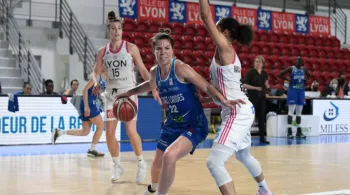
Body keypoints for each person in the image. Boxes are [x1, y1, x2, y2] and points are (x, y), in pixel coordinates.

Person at [116, 28, 243, 195]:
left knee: (169, 157)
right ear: (154, 51)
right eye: (159, 48)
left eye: (167, 48)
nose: (163, 52)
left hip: (193, 124)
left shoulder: (181, 68)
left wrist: (223, 100)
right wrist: (130, 92)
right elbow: (150, 84)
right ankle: (153, 189)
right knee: (157, 161)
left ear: (172, 50)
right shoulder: (155, 72)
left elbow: (205, 85)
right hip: (173, 122)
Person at [198, 0, 274, 195]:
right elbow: (225, 90)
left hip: (236, 112)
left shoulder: (224, 47)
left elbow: (205, 16)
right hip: (240, 108)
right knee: (243, 154)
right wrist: (206, 100)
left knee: (214, 162)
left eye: (217, 27)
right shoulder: (226, 52)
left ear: (224, 32)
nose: (212, 28)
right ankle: (265, 190)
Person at [92, 11, 161, 183]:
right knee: (109, 134)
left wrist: (153, 87)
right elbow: (95, 72)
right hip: (110, 95)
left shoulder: (130, 48)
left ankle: (141, 163)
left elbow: (143, 70)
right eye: (113, 28)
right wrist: (96, 82)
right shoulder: (102, 51)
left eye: (119, 28)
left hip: (129, 93)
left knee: (131, 131)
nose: (116, 31)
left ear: (122, 31)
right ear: (109, 30)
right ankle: (117, 166)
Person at [51, 75, 105, 157]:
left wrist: (101, 99)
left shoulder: (105, 78)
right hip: (89, 103)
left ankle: (59, 132)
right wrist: (87, 106)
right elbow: (85, 89)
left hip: (89, 102)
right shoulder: (96, 76)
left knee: (85, 131)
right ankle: (92, 150)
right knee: (101, 125)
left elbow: (97, 91)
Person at [278, 56, 309, 139]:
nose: (298, 61)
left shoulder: (304, 69)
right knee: (291, 112)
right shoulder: (291, 68)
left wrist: (306, 80)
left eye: (300, 60)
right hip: (292, 91)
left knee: (299, 113)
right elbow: (279, 74)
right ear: (295, 61)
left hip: (301, 92)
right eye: (297, 60)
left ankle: (299, 132)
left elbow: (309, 76)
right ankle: (289, 131)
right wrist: (287, 79)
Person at [243, 55, 270, 144]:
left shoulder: (264, 73)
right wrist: (255, 88)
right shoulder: (251, 72)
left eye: (259, 62)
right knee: (251, 118)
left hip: (262, 97)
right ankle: (247, 139)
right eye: (256, 61)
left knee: (261, 118)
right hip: (253, 97)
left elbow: (266, 85)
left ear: (263, 63)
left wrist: (267, 86)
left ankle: (262, 138)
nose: (257, 63)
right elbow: (244, 85)